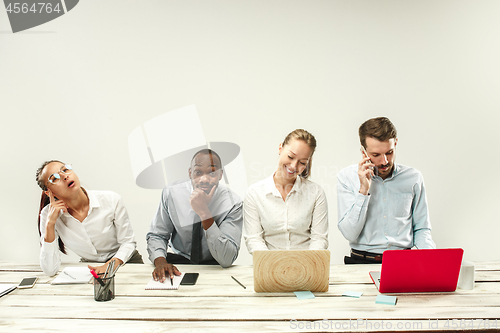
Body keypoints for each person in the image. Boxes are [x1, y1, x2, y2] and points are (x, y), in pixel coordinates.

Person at [337, 117, 436, 264]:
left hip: (403, 262)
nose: (384, 161)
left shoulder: (413, 178)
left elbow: (421, 229)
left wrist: (432, 260)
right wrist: (363, 191)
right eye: (376, 155)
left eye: (389, 152)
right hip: (360, 262)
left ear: (395, 143)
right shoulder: (346, 178)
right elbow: (350, 234)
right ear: (363, 152)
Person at [146, 149, 243, 282]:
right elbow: (157, 235)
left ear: (221, 174)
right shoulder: (171, 193)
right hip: (180, 262)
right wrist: (161, 262)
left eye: (212, 173)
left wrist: (204, 212)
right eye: (198, 172)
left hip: (215, 265)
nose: (204, 179)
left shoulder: (232, 203)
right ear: (190, 173)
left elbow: (227, 258)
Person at [36, 160, 142, 276]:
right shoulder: (48, 215)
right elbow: (50, 270)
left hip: (125, 262)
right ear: (49, 193)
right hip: (91, 269)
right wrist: (50, 224)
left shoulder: (111, 200)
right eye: (55, 178)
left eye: (65, 170)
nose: (64, 176)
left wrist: (109, 265)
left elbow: (128, 243)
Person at [243, 129, 328, 253]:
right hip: (268, 266)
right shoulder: (255, 193)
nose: (294, 166)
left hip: (306, 266)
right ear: (280, 148)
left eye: (302, 162)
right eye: (290, 156)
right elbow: (254, 240)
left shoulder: (316, 193)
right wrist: (274, 264)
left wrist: (307, 264)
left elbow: (319, 239)